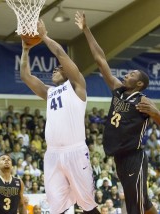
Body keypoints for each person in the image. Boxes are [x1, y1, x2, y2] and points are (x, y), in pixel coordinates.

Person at [75, 11, 160, 214]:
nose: (126, 74)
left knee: (135, 206)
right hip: (119, 157)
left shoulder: (144, 101)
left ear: (139, 83)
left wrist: (156, 113)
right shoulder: (118, 90)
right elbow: (100, 59)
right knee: (143, 203)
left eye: (131, 74)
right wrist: (86, 29)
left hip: (134, 157)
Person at [20, 19, 100, 214]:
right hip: (53, 154)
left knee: (87, 204)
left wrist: (44, 36)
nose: (55, 69)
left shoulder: (78, 85)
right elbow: (26, 77)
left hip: (75, 152)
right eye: (54, 68)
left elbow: (61, 54)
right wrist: (25, 50)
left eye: (59, 68)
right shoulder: (50, 92)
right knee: (58, 207)